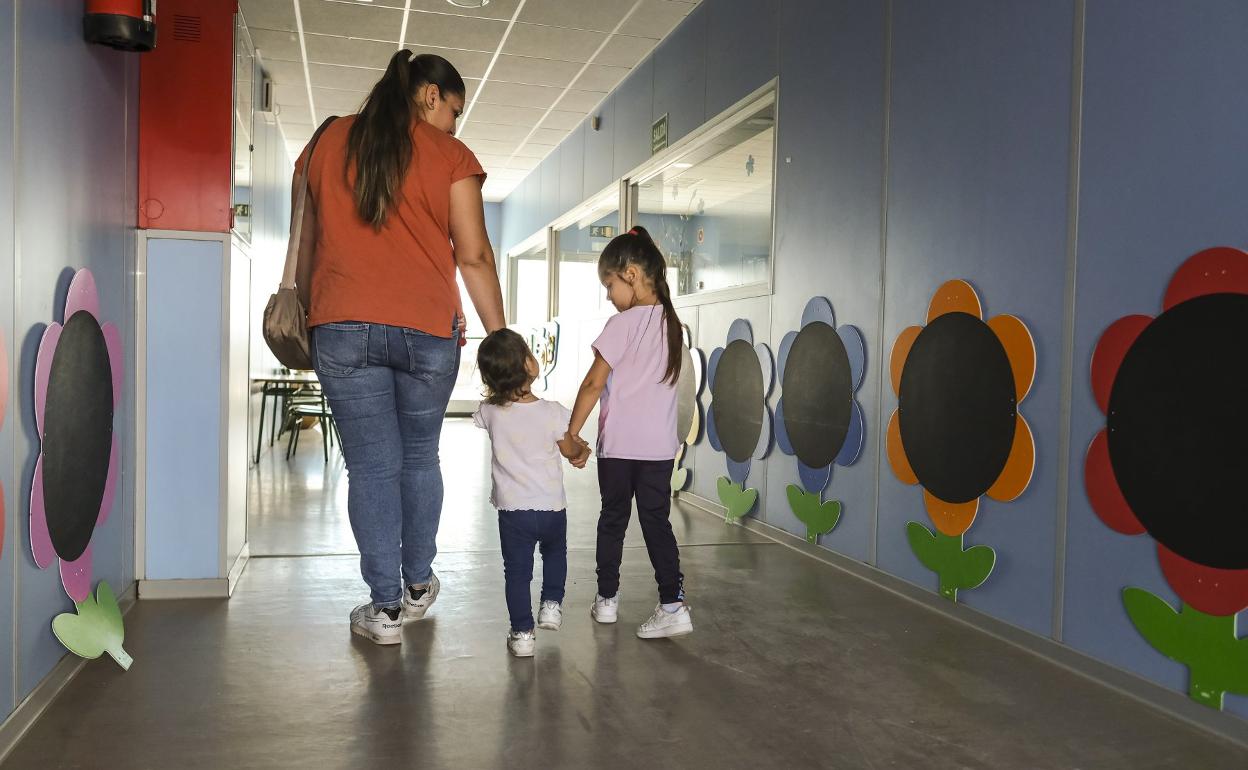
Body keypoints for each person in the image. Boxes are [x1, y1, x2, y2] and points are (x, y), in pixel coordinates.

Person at [297, 51, 506, 646]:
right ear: (430, 94)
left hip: (342, 323)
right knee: (419, 458)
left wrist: (313, 304)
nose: (454, 126)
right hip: (427, 330)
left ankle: (384, 608)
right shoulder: (450, 158)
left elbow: (308, 230)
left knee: (371, 467)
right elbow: (473, 255)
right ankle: (418, 585)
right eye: (454, 111)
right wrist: (500, 335)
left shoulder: (330, 139)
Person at [565, 226, 693, 639]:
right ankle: (673, 605)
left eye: (609, 284)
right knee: (657, 521)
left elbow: (593, 384)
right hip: (658, 450)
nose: (608, 295)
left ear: (632, 274)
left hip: (619, 448)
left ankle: (606, 601)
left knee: (613, 519)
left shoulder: (621, 324)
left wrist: (571, 433)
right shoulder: (673, 324)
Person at [473, 329, 591, 657]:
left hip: (513, 513)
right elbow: (569, 449)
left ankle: (523, 633)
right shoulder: (553, 412)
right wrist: (579, 451)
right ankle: (552, 603)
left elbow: (480, 416)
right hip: (552, 508)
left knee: (517, 571)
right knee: (555, 555)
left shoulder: (490, 412)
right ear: (530, 365)